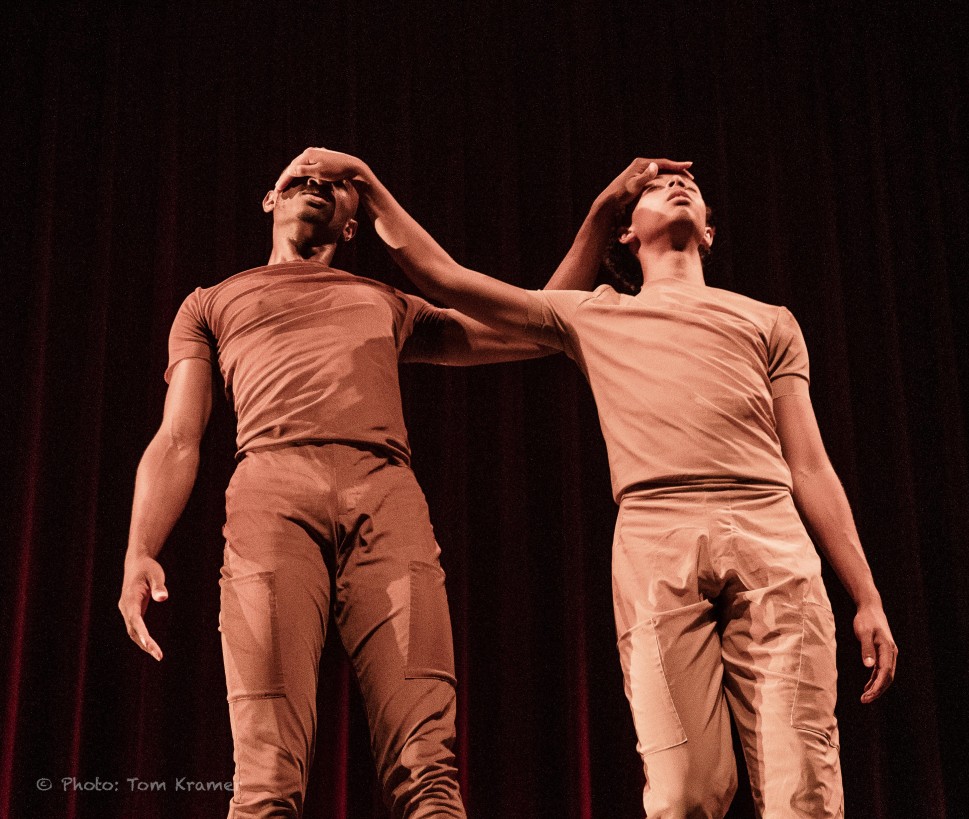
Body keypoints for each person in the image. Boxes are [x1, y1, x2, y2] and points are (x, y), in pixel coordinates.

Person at [272, 148, 899, 818]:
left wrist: (866, 594)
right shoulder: (594, 313)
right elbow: (448, 279)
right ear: (627, 233)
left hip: (768, 528)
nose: (679, 185)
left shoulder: (769, 320)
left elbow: (810, 464)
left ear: (710, 232)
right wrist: (368, 184)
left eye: (690, 186)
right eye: (659, 187)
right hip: (655, 536)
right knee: (684, 792)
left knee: (804, 788)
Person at [115, 155, 660, 817]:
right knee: (264, 777)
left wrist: (601, 217)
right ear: (269, 200)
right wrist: (140, 549)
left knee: (427, 766)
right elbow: (177, 437)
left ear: (354, 224)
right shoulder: (210, 302)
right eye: (299, 179)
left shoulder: (386, 301)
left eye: (333, 184)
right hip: (271, 496)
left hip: (385, 496)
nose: (315, 184)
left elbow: (536, 326)